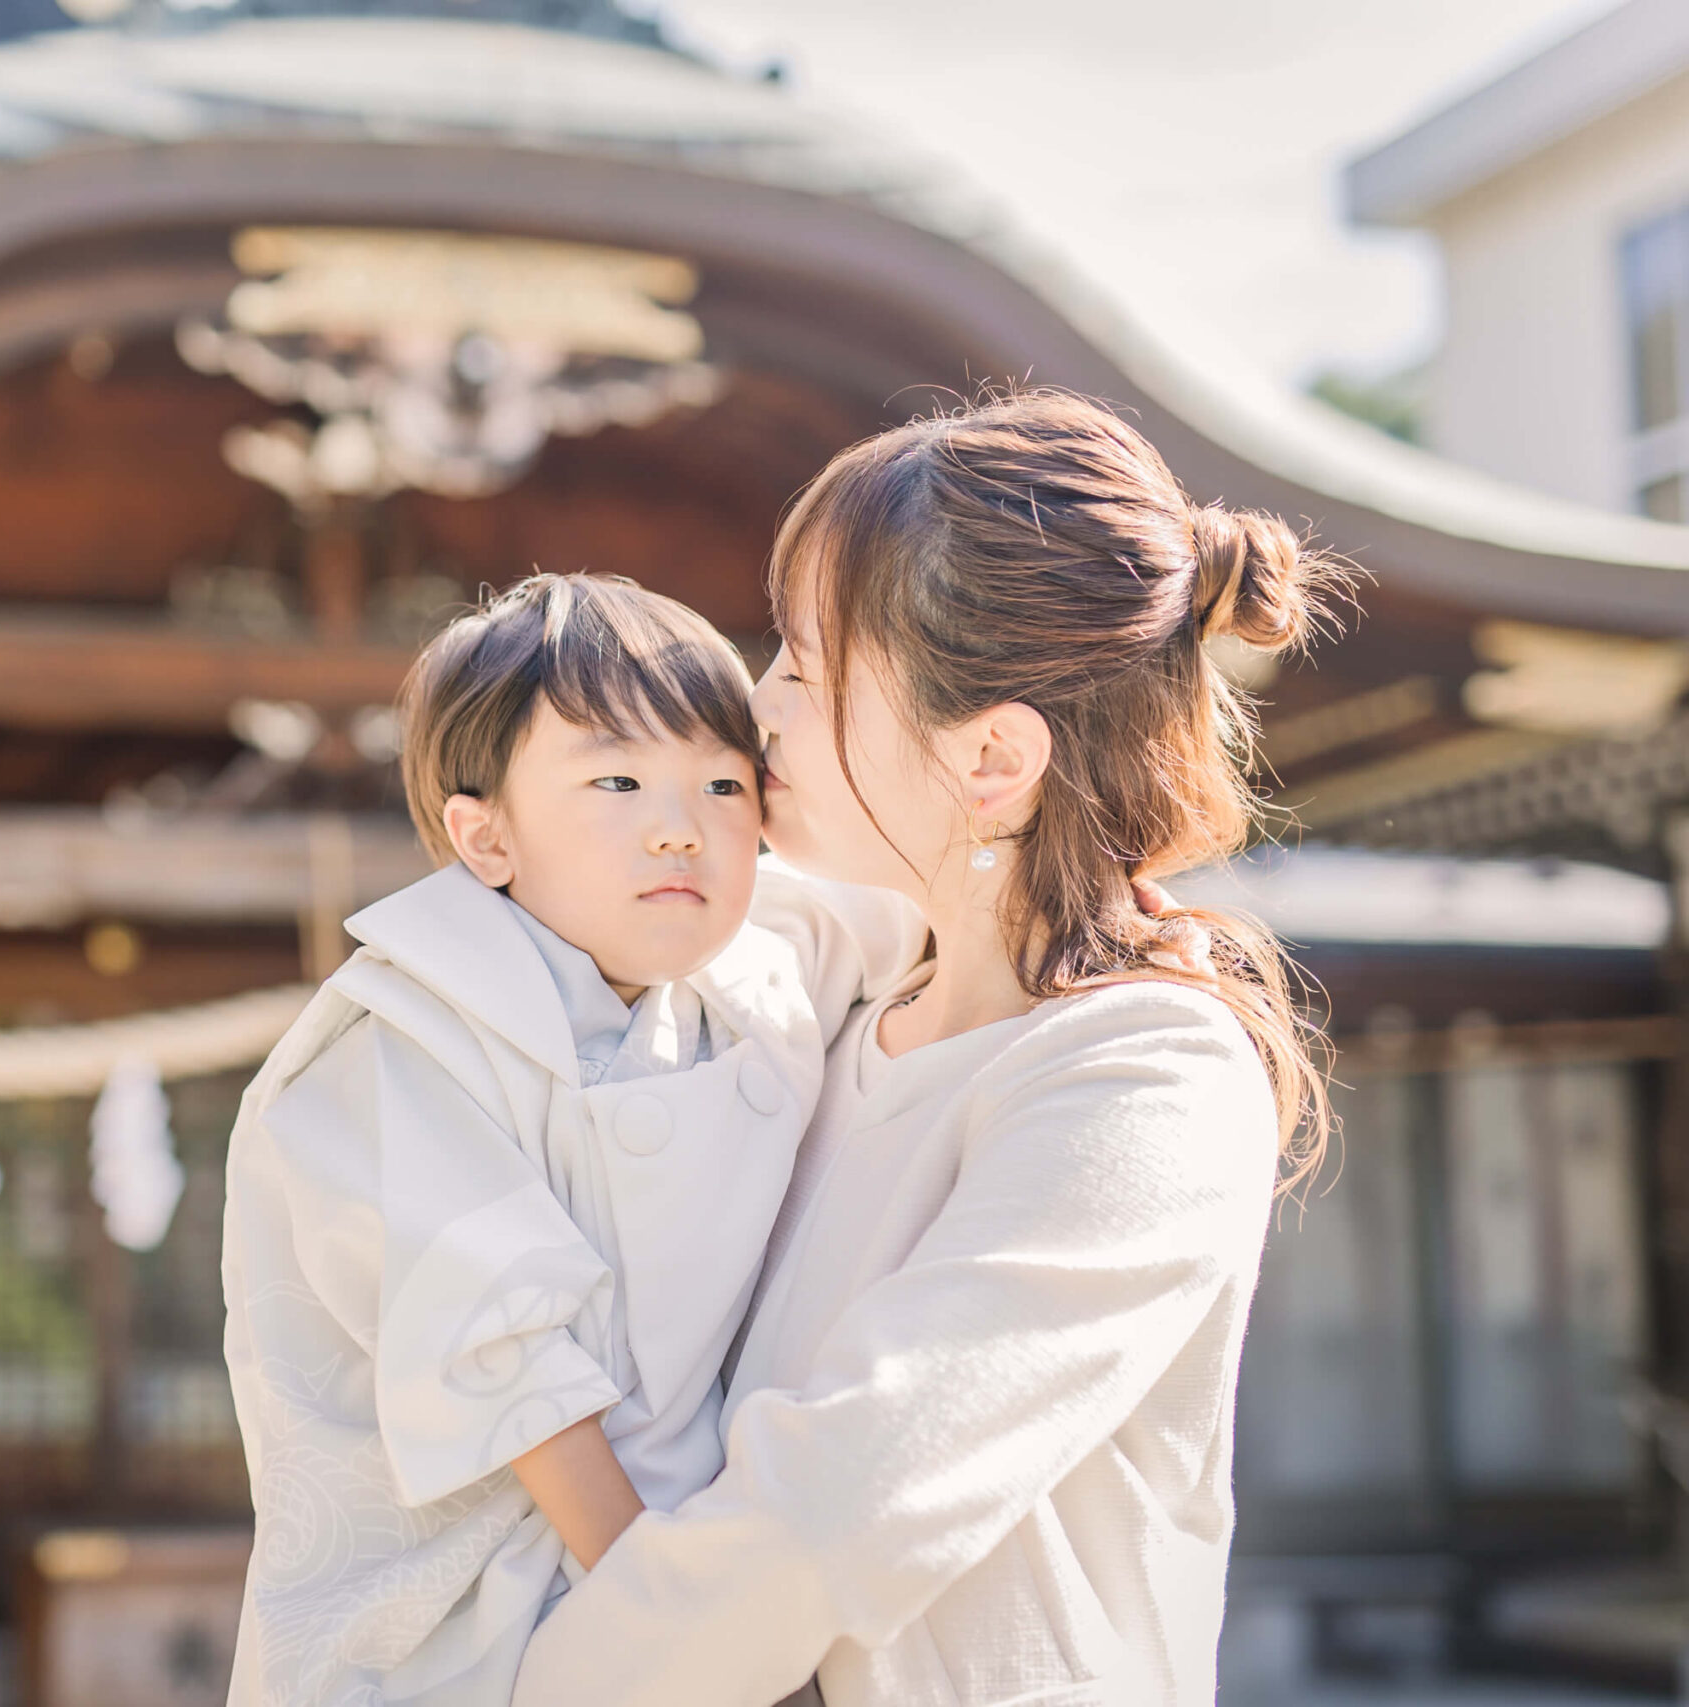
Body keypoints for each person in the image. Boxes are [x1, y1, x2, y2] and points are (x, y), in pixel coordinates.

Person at [511, 391, 1343, 1707]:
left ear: (994, 758)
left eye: (804, 663)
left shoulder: (1142, 1076)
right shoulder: (833, 1005)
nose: (755, 703)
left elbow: (830, 1507)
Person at [218, 574, 923, 1707]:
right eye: (616, 778)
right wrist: (689, 1630)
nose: (677, 824)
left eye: (723, 781)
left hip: (677, 1562)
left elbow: (955, 906)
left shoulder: (760, 965)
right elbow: (508, 1370)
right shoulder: (409, 1037)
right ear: (483, 835)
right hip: (479, 1603)